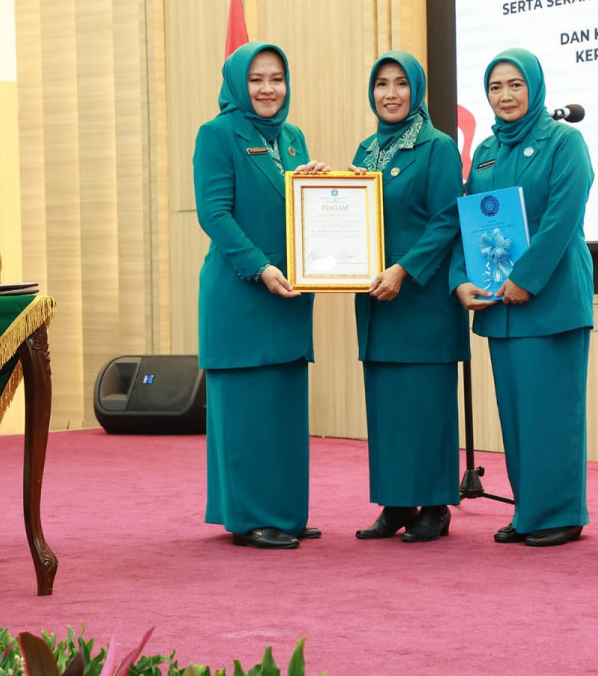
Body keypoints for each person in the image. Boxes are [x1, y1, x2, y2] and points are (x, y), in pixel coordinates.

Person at [451, 48, 594, 547]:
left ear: (534, 87)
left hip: (550, 303)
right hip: (501, 307)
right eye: (496, 87)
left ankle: (561, 514)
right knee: (516, 415)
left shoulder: (563, 141)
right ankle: (530, 510)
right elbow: (467, 220)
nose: (506, 95)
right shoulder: (487, 151)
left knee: (552, 413)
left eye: (515, 85)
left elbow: (563, 217)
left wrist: (526, 278)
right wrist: (460, 279)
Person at [194, 41, 326, 550]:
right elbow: (215, 214)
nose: (269, 89)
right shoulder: (217, 134)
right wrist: (260, 267)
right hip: (242, 293)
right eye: (257, 80)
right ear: (236, 84)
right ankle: (250, 518)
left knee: (284, 408)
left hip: (289, 294)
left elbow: (288, 204)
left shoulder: (291, 137)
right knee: (248, 411)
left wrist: (312, 185)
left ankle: (285, 513)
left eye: (277, 78)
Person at [351, 51, 469, 544]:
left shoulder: (437, 147)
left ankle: (436, 505)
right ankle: (397, 502)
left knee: (426, 406)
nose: (391, 94)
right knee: (387, 407)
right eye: (382, 84)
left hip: (421, 298)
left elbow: (447, 219)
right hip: (377, 300)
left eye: (401, 83)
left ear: (416, 90)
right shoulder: (364, 151)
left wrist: (403, 270)